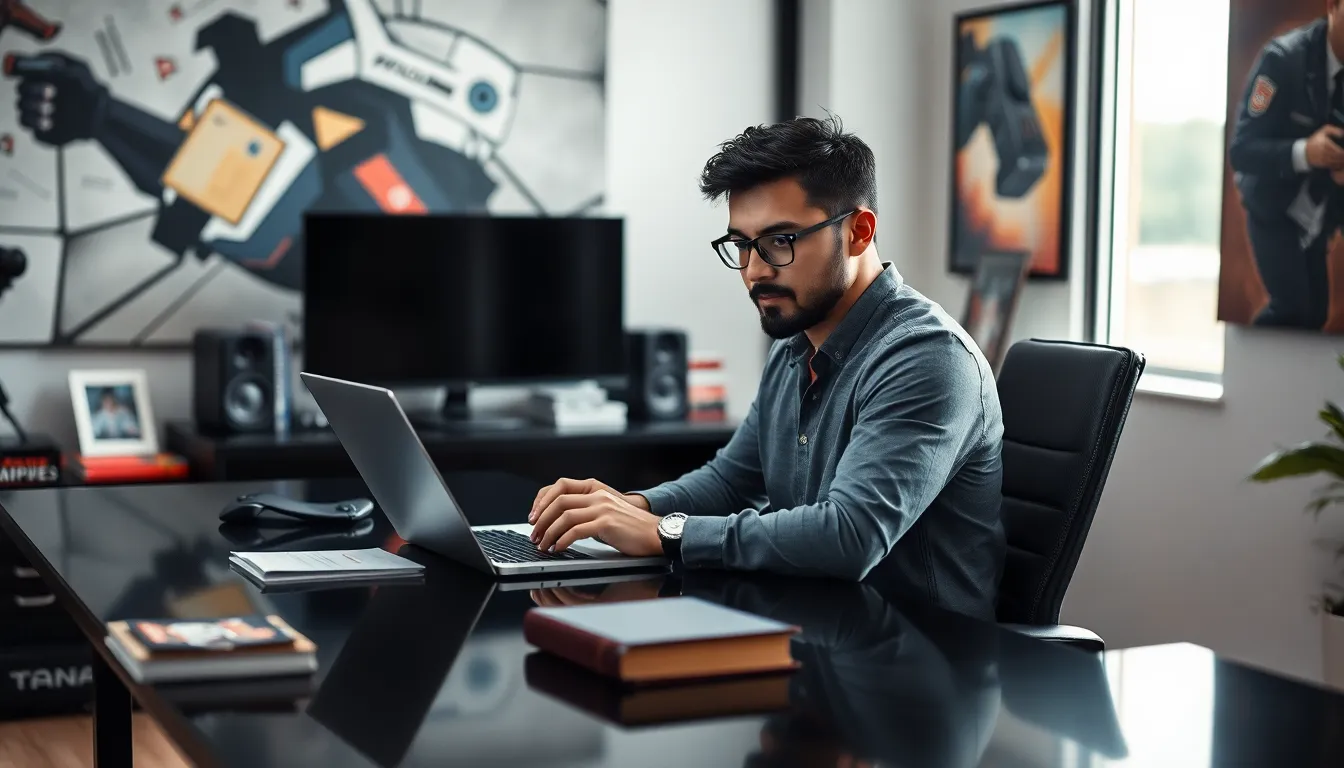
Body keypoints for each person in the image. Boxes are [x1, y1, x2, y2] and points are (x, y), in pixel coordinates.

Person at [528, 115, 1006, 620]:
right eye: (742, 244)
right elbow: (731, 482)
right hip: (814, 633)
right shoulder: (797, 344)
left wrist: (666, 533)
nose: (755, 270)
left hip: (918, 653)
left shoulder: (927, 357)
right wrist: (626, 509)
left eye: (781, 241)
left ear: (858, 232)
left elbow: (850, 536)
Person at [1228, 1, 1344, 329]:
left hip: (1320, 219)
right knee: (1293, 309)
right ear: (1333, 6)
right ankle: (1249, 360)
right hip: (1273, 209)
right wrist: (1306, 152)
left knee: (1314, 317)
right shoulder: (1282, 60)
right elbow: (1242, 151)